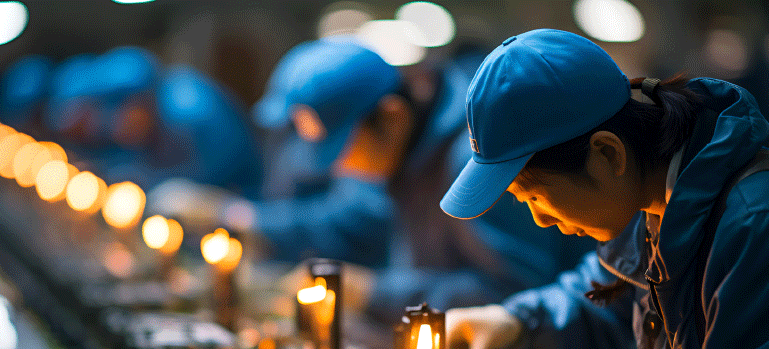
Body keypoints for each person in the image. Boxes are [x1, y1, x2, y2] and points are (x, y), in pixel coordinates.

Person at [440, 29, 769, 349]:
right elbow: (613, 296)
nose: (540, 220)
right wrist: (517, 321)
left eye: (535, 196)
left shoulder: (753, 226)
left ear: (607, 154)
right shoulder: (655, 203)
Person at [149, 38, 593, 321]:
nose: (338, 168)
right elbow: (345, 220)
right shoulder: (396, 155)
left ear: (393, 117)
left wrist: (373, 291)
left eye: (343, 148)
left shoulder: (471, 160)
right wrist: (244, 219)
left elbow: (515, 294)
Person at [43, 46, 263, 194]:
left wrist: (142, 180)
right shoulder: (156, 112)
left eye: (122, 108)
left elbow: (199, 183)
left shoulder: (189, 112)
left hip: (242, 202)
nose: (114, 124)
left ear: (143, 97)